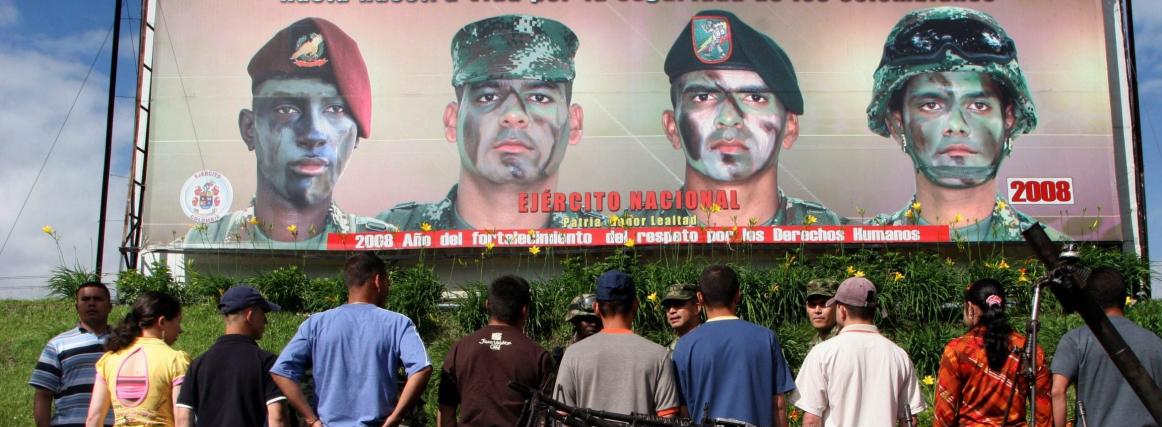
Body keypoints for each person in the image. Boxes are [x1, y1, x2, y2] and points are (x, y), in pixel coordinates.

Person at [185, 17, 395, 248]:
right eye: (286, 109)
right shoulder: (204, 242)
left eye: (335, 109)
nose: (313, 134)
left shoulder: (379, 245)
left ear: (355, 136)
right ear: (249, 129)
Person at [380, 15, 597, 231]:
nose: (513, 114)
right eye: (488, 97)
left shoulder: (618, 247)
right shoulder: (384, 240)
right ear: (453, 121)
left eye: (539, 98)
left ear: (574, 123)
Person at [625, 12, 839, 229]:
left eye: (755, 98)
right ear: (672, 127)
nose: (728, 118)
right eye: (703, 97)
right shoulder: (624, 240)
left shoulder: (839, 241)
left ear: (790, 128)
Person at [866, 8, 1065, 241]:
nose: (956, 125)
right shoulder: (861, 251)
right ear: (897, 124)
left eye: (979, 105)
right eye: (931, 105)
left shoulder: (1056, 256)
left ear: (1008, 119)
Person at [271, 252, 431, 427]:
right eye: (387, 283)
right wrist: (396, 417)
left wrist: (312, 421)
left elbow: (281, 371)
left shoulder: (316, 323)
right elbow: (421, 369)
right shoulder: (397, 323)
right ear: (378, 281)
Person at [1050, 267, 1162, 427]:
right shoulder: (1155, 343)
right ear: (1124, 298)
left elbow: (1057, 391)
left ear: (1088, 299)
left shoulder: (1076, 339)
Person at [553, 270, 681, 427]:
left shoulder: (573, 354)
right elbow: (666, 421)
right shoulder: (658, 354)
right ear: (636, 306)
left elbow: (563, 417)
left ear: (596, 308)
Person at [438, 275, 555, 427]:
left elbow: (446, 411)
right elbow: (544, 420)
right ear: (524, 311)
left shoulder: (460, 349)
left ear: (487, 305)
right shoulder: (537, 355)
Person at [794, 277, 924, 427]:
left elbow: (812, 420)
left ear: (841, 310)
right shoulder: (899, 355)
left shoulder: (822, 353)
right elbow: (909, 420)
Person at [933, 279, 1050, 427]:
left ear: (971, 309)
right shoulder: (1029, 348)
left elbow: (945, 411)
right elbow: (1043, 408)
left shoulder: (957, 350)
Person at [673, 265, 793, 427]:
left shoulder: (685, 345)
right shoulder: (766, 338)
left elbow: (683, 412)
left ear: (699, 298)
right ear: (738, 295)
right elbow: (778, 404)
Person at [174, 286, 291, 427]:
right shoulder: (265, 362)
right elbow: (277, 416)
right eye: (263, 313)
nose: (265, 321)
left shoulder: (199, 363)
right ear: (250, 315)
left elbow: (183, 417)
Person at [85, 292, 189, 427]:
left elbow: (94, 417)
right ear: (161, 322)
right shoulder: (175, 360)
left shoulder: (108, 359)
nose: (180, 329)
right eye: (178, 322)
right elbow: (182, 417)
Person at [30, 281, 113, 427]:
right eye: (85, 299)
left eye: (98, 299)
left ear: (109, 306)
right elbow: (43, 396)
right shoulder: (58, 345)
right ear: (77, 306)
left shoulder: (127, 343)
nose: (91, 303)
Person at [661, 283, 702, 351]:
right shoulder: (665, 352)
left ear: (696, 307)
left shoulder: (712, 342)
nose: (671, 311)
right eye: (668, 307)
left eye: (678, 304)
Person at [804, 278, 837, 342]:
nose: (817, 311)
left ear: (838, 306)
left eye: (824, 304)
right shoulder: (816, 340)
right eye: (812, 304)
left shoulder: (844, 340)